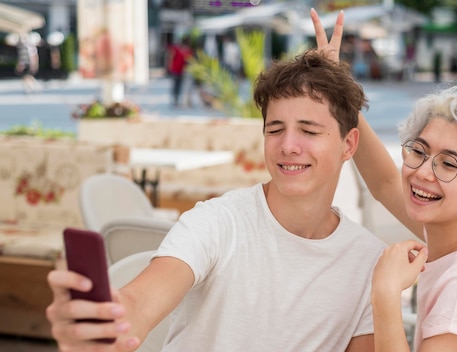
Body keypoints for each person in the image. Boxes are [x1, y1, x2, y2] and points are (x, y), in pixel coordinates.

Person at [46, 46, 386, 351]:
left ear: (349, 145)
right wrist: (106, 325)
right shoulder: (216, 222)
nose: (288, 145)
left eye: (309, 131)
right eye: (274, 129)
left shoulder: (368, 261)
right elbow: (140, 302)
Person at [313, 10, 457, 352]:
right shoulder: (454, 236)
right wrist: (339, 91)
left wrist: (385, 294)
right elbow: (385, 182)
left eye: (449, 163)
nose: (422, 172)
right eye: (419, 150)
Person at [166, 36, 193, 107]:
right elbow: (171, 57)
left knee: (179, 86)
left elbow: (188, 61)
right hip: (175, 70)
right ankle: (175, 101)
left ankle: (177, 101)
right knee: (176, 86)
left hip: (181, 71)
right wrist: (169, 67)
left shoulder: (188, 51)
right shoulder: (177, 49)